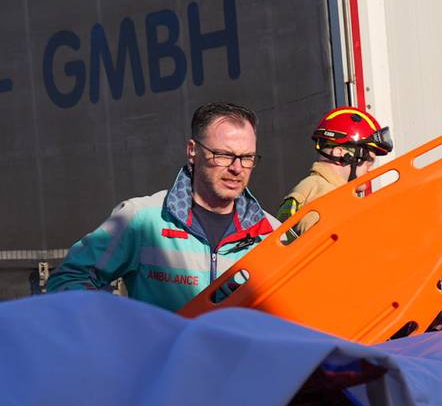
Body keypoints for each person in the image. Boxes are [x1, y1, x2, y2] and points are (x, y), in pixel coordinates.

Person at [47, 103, 277, 311]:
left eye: (247, 157)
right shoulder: (142, 219)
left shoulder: (272, 235)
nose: (237, 168)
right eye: (224, 155)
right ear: (192, 151)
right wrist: (116, 328)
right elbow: (68, 279)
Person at [278, 106, 393, 236]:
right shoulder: (329, 198)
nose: (371, 169)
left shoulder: (311, 188)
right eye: (368, 161)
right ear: (340, 153)